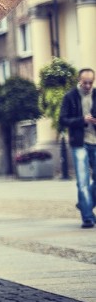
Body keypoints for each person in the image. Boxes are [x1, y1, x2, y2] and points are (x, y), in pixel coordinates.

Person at [60, 68, 96, 228]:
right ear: (79, 80)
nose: (88, 86)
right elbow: (63, 119)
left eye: (91, 82)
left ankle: (85, 204)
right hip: (79, 144)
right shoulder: (70, 96)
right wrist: (82, 120)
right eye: (85, 82)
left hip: (95, 142)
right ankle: (87, 217)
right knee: (82, 181)